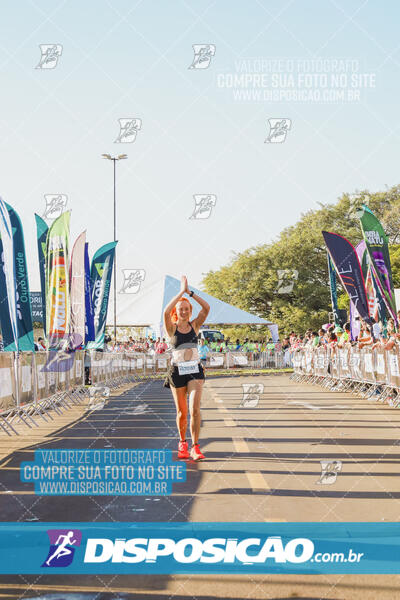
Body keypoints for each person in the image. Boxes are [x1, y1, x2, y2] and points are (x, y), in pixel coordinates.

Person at [163, 276, 210, 461]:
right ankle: (182, 443)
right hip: (177, 372)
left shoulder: (195, 325)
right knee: (182, 412)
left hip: (194, 371)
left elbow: (206, 308)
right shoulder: (171, 328)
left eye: (186, 309)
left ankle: (195, 446)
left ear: (190, 311)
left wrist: (190, 293)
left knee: (194, 409)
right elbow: (166, 313)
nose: (183, 311)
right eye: (180, 309)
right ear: (177, 311)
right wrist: (180, 293)